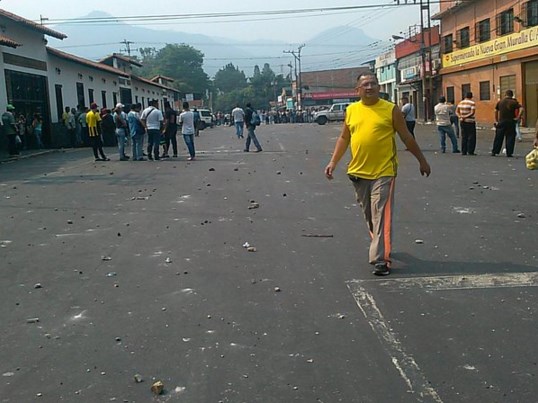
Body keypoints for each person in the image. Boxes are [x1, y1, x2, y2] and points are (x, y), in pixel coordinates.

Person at [324, 73, 431, 276]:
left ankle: (380, 259)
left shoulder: (390, 109)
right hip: (358, 172)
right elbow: (344, 138)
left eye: (373, 83)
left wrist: (422, 160)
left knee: (381, 214)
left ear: (379, 87)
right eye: (365, 84)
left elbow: (406, 137)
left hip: (384, 171)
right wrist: (333, 162)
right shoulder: (351, 110)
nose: (370, 87)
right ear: (357, 90)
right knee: (370, 216)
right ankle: (380, 243)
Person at [492, 90, 520, 158]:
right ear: (512, 95)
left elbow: (495, 111)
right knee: (510, 137)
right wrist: (518, 117)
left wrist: (496, 120)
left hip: (501, 121)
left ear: (505, 94)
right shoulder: (514, 102)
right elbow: (522, 109)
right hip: (511, 121)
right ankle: (509, 152)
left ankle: (495, 151)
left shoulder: (500, 102)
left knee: (498, 137)